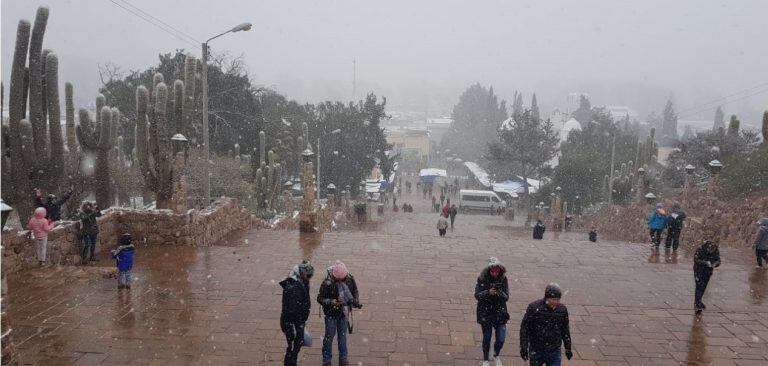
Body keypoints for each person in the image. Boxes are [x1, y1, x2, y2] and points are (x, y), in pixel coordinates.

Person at [317, 260, 361, 366]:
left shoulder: (350, 279)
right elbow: (320, 298)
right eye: (339, 279)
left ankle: (343, 358)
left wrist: (355, 301)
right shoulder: (327, 283)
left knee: (342, 337)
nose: (342, 281)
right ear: (334, 276)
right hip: (331, 314)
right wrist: (331, 302)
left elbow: (355, 291)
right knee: (329, 337)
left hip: (343, 313)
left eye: (343, 279)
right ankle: (327, 359)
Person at [520, 283, 573, 366]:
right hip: (536, 349)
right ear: (546, 298)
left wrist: (568, 348)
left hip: (554, 350)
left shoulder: (562, 310)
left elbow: (565, 329)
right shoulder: (534, 308)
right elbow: (525, 328)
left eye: (558, 299)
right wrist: (524, 347)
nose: (556, 302)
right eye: (553, 299)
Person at [475, 257, 510, 366]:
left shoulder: (503, 279)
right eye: (493, 271)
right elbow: (477, 295)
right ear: (489, 270)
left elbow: (506, 297)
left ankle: (496, 354)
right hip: (486, 312)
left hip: (500, 312)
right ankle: (485, 359)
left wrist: (499, 292)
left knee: (501, 338)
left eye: (497, 271)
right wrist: (488, 292)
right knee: (487, 337)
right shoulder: (482, 279)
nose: (495, 273)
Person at [280, 261, 314, 366]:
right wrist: (298, 322)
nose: (309, 278)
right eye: (308, 275)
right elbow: (292, 310)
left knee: (295, 345)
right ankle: (290, 363)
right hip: (292, 323)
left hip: (296, 321)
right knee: (293, 346)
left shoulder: (302, 282)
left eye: (311, 275)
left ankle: (291, 362)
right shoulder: (294, 287)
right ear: (302, 274)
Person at [693, 240, 721, 312]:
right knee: (699, 286)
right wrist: (705, 263)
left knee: (703, 287)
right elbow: (696, 259)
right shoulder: (700, 249)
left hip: (708, 272)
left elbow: (718, 260)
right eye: (709, 250)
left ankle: (698, 301)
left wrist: (715, 264)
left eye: (712, 250)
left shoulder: (716, 251)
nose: (710, 252)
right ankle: (697, 303)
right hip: (698, 270)